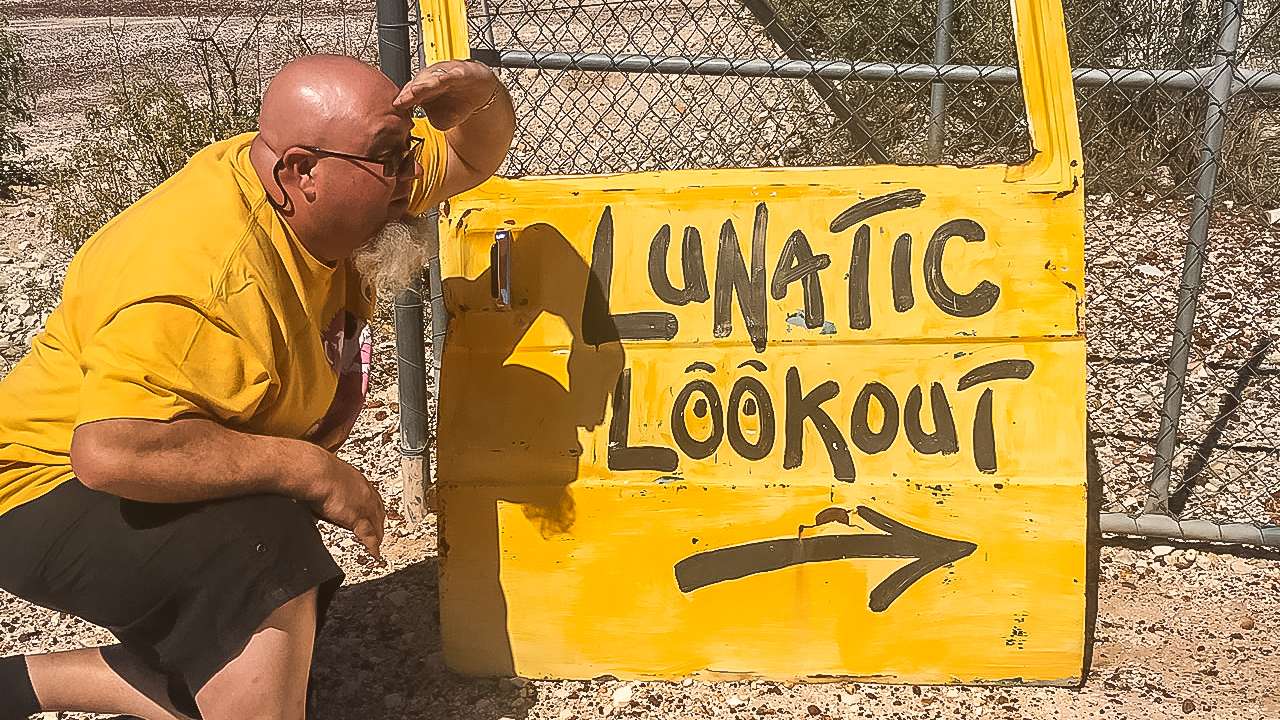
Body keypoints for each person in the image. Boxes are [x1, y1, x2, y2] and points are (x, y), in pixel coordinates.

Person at [0, 53, 514, 719]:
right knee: (263, 555)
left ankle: (34, 685)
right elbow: (111, 450)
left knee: (269, 630)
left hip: (137, 456)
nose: (411, 177)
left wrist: (482, 96)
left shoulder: (345, 181)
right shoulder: (208, 276)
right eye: (392, 158)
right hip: (40, 487)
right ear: (300, 172)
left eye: (408, 151)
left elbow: (471, 155)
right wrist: (310, 469)